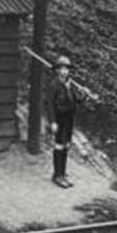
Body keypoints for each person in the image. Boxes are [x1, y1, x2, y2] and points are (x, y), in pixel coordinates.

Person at [47, 54, 88, 188]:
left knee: (66, 145)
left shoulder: (70, 84)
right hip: (59, 118)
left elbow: (78, 100)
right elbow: (50, 105)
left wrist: (84, 93)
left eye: (66, 69)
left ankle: (63, 173)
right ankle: (57, 175)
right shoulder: (54, 85)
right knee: (59, 145)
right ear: (57, 70)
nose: (64, 71)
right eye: (62, 69)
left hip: (69, 119)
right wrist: (53, 121)